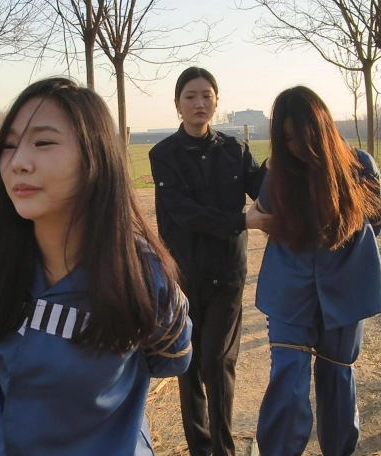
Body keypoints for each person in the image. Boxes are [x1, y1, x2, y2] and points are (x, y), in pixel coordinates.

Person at [0, 77, 192, 456]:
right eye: (9, 145)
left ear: (93, 158)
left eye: (43, 143)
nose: (18, 163)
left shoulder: (141, 273)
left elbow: (172, 360)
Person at [251, 86, 381, 456]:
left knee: (337, 375)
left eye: (302, 135)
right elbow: (264, 216)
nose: (296, 146)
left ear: (322, 127)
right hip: (288, 290)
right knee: (288, 377)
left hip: (346, 290)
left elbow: (376, 221)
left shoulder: (360, 166)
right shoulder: (279, 174)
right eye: (286, 139)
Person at [149, 67, 270, 456]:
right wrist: (242, 220)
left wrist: (283, 163)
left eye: (207, 95)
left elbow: (262, 187)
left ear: (217, 102)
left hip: (227, 274)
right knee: (188, 364)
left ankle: (223, 449)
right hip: (183, 275)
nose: (199, 103)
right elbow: (184, 212)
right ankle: (201, 448)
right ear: (177, 104)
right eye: (190, 96)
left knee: (217, 363)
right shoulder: (163, 155)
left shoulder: (235, 149)